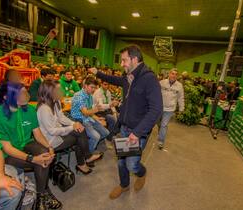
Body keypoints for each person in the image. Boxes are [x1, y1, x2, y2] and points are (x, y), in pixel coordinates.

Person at [89, 45, 162, 199]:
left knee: (132, 164)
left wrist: (137, 132)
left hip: (138, 131)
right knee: (121, 161)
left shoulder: (149, 79)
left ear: (134, 59)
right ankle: (124, 185)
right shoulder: (128, 76)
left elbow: (156, 110)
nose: (121, 64)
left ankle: (142, 173)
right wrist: (98, 73)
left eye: (124, 60)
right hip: (124, 127)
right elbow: (114, 79)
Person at [0, 82, 62, 210]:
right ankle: (43, 195)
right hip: (5, 154)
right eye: (20, 93)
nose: (26, 96)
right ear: (5, 97)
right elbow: (7, 149)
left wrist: (49, 147)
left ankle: (41, 196)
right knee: (40, 161)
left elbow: (37, 135)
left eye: (25, 92)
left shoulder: (29, 109)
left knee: (44, 153)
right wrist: (32, 159)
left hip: (25, 144)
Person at [37, 80, 103, 174]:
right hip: (51, 139)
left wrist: (74, 124)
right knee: (79, 137)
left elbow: (61, 117)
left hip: (58, 131)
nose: (61, 92)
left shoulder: (55, 102)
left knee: (80, 130)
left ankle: (85, 159)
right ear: (50, 92)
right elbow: (52, 131)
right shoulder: (44, 109)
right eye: (58, 90)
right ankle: (85, 160)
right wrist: (72, 127)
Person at [71, 77, 110, 153]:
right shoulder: (79, 96)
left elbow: (90, 112)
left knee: (106, 133)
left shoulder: (90, 95)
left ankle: (89, 146)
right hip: (79, 120)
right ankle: (88, 154)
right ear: (85, 86)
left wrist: (97, 118)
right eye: (92, 87)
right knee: (96, 137)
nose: (93, 90)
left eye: (94, 88)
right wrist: (97, 110)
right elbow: (85, 112)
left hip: (88, 118)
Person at [158, 69, 184, 149]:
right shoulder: (162, 82)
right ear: (169, 74)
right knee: (158, 124)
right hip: (159, 107)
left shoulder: (179, 86)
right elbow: (155, 93)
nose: (174, 75)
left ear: (177, 76)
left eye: (176, 74)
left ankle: (161, 141)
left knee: (164, 125)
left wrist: (181, 109)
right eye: (172, 73)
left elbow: (181, 98)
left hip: (169, 109)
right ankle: (160, 130)